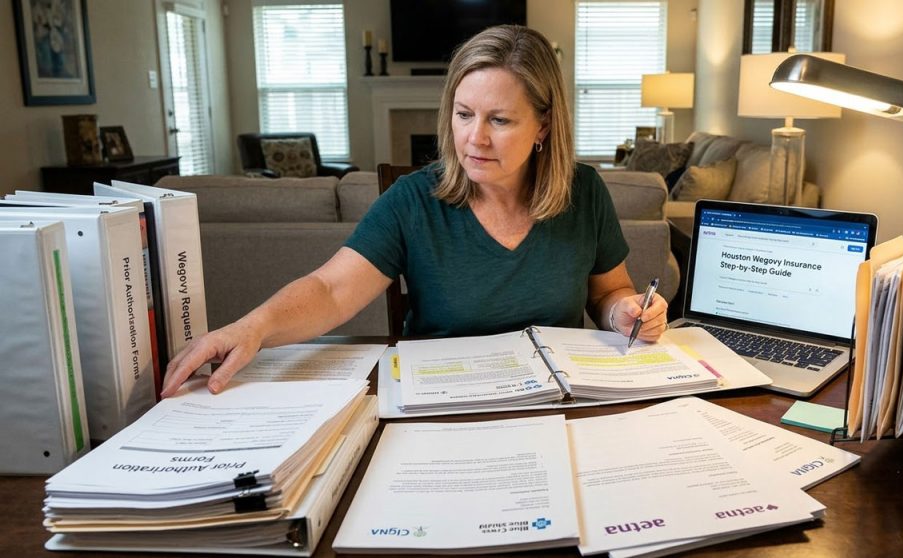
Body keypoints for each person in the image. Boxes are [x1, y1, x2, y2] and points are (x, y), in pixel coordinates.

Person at [161, 25, 668, 397]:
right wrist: (251, 328)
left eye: (501, 120)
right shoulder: (412, 199)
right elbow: (331, 290)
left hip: (555, 401)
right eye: (464, 114)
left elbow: (609, 291)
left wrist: (622, 313)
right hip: (441, 402)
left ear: (543, 127)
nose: (475, 138)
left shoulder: (584, 191)